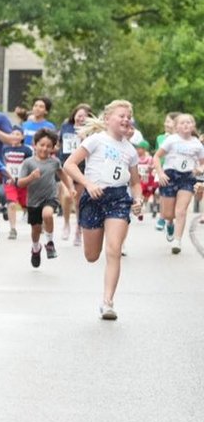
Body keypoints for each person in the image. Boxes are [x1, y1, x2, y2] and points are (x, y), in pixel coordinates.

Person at [61, 100, 142, 319]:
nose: (126, 119)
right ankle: (87, 240)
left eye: (128, 116)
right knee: (92, 256)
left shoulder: (130, 151)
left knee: (114, 250)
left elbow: (135, 182)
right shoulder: (96, 140)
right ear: (107, 119)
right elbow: (68, 164)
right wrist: (88, 184)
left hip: (118, 199)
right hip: (94, 197)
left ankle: (108, 303)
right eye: (121, 115)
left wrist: (138, 199)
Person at [152, 113, 204, 254]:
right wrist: (160, 173)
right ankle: (169, 223)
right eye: (182, 123)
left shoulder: (197, 144)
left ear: (193, 125)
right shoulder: (171, 140)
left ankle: (177, 240)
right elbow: (156, 157)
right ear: (176, 127)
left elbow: (202, 162)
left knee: (180, 211)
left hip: (188, 177)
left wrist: (200, 168)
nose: (186, 124)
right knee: (168, 214)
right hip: (170, 175)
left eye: (189, 122)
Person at [16, 129, 64, 268]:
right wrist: (31, 177)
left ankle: (49, 243)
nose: (45, 148)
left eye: (49, 146)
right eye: (42, 145)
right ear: (35, 144)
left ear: (53, 148)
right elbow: (19, 183)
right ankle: (36, 248)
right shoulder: (28, 163)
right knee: (36, 229)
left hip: (50, 197)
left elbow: (62, 174)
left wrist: (70, 188)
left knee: (47, 214)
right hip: (33, 200)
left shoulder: (54, 162)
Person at [58, 104, 93, 244]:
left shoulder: (91, 132)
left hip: (81, 168)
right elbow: (59, 144)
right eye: (79, 115)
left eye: (84, 116)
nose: (81, 118)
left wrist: (85, 137)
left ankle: (78, 229)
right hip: (66, 166)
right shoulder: (66, 127)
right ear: (74, 115)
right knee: (67, 196)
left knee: (78, 201)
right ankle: (66, 223)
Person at [0, 125, 33, 240]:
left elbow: (30, 165)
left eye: (18, 134)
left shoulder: (27, 150)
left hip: (22, 181)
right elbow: (3, 164)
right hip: (9, 181)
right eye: (13, 134)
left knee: (26, 205)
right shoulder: (5, 149)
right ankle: (12, 229)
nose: (14, 136)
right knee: (12, 203)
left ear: (22, 137)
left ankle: (37, 222)